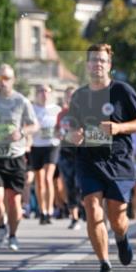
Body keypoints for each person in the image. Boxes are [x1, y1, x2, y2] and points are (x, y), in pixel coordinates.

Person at [65, 44, 136, 272]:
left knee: (117, 218)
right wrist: (74, 135)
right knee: (92, 209)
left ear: (109, 65)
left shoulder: (122, 91)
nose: (97, 64)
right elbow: (72, 128)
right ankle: (104, 264)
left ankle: (121, 237)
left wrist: (119, 128)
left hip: (118, 160)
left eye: (102, 60)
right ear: (87, 65)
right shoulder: (79, 96)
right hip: (89, 160)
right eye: (93, 60)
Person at [0, 64, 38, 252]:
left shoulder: (21, 101)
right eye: (0, 78)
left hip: (15, 156)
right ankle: (1, 226)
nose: (3, 82)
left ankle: (13, 235)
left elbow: (34, 125)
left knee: (14, 201)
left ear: (13, 80)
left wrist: (21, 132)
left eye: (7, 78)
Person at [30, 83, 61, 224]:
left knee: (48, 178)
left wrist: (61, 132)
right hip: (36, 146)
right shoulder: (32, 109)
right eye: (41, 91)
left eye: (47, 91)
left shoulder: (56, 109)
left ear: (51, 93)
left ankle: (49, 210)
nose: (44, 94)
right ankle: (42, 210)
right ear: (36, 93)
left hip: (52, 145)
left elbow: (63, 126)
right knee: (39, 181)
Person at [56, 85, 81, 230]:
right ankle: (74, 217)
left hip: (81, 152)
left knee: (80, 184)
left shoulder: (84, 112)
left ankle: (86, 211)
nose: (70, 98)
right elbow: (56, 130)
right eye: (68, 95)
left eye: (73, 95)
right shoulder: (62, 114)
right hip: (65, 152)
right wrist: (58, 135)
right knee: (69, 184)